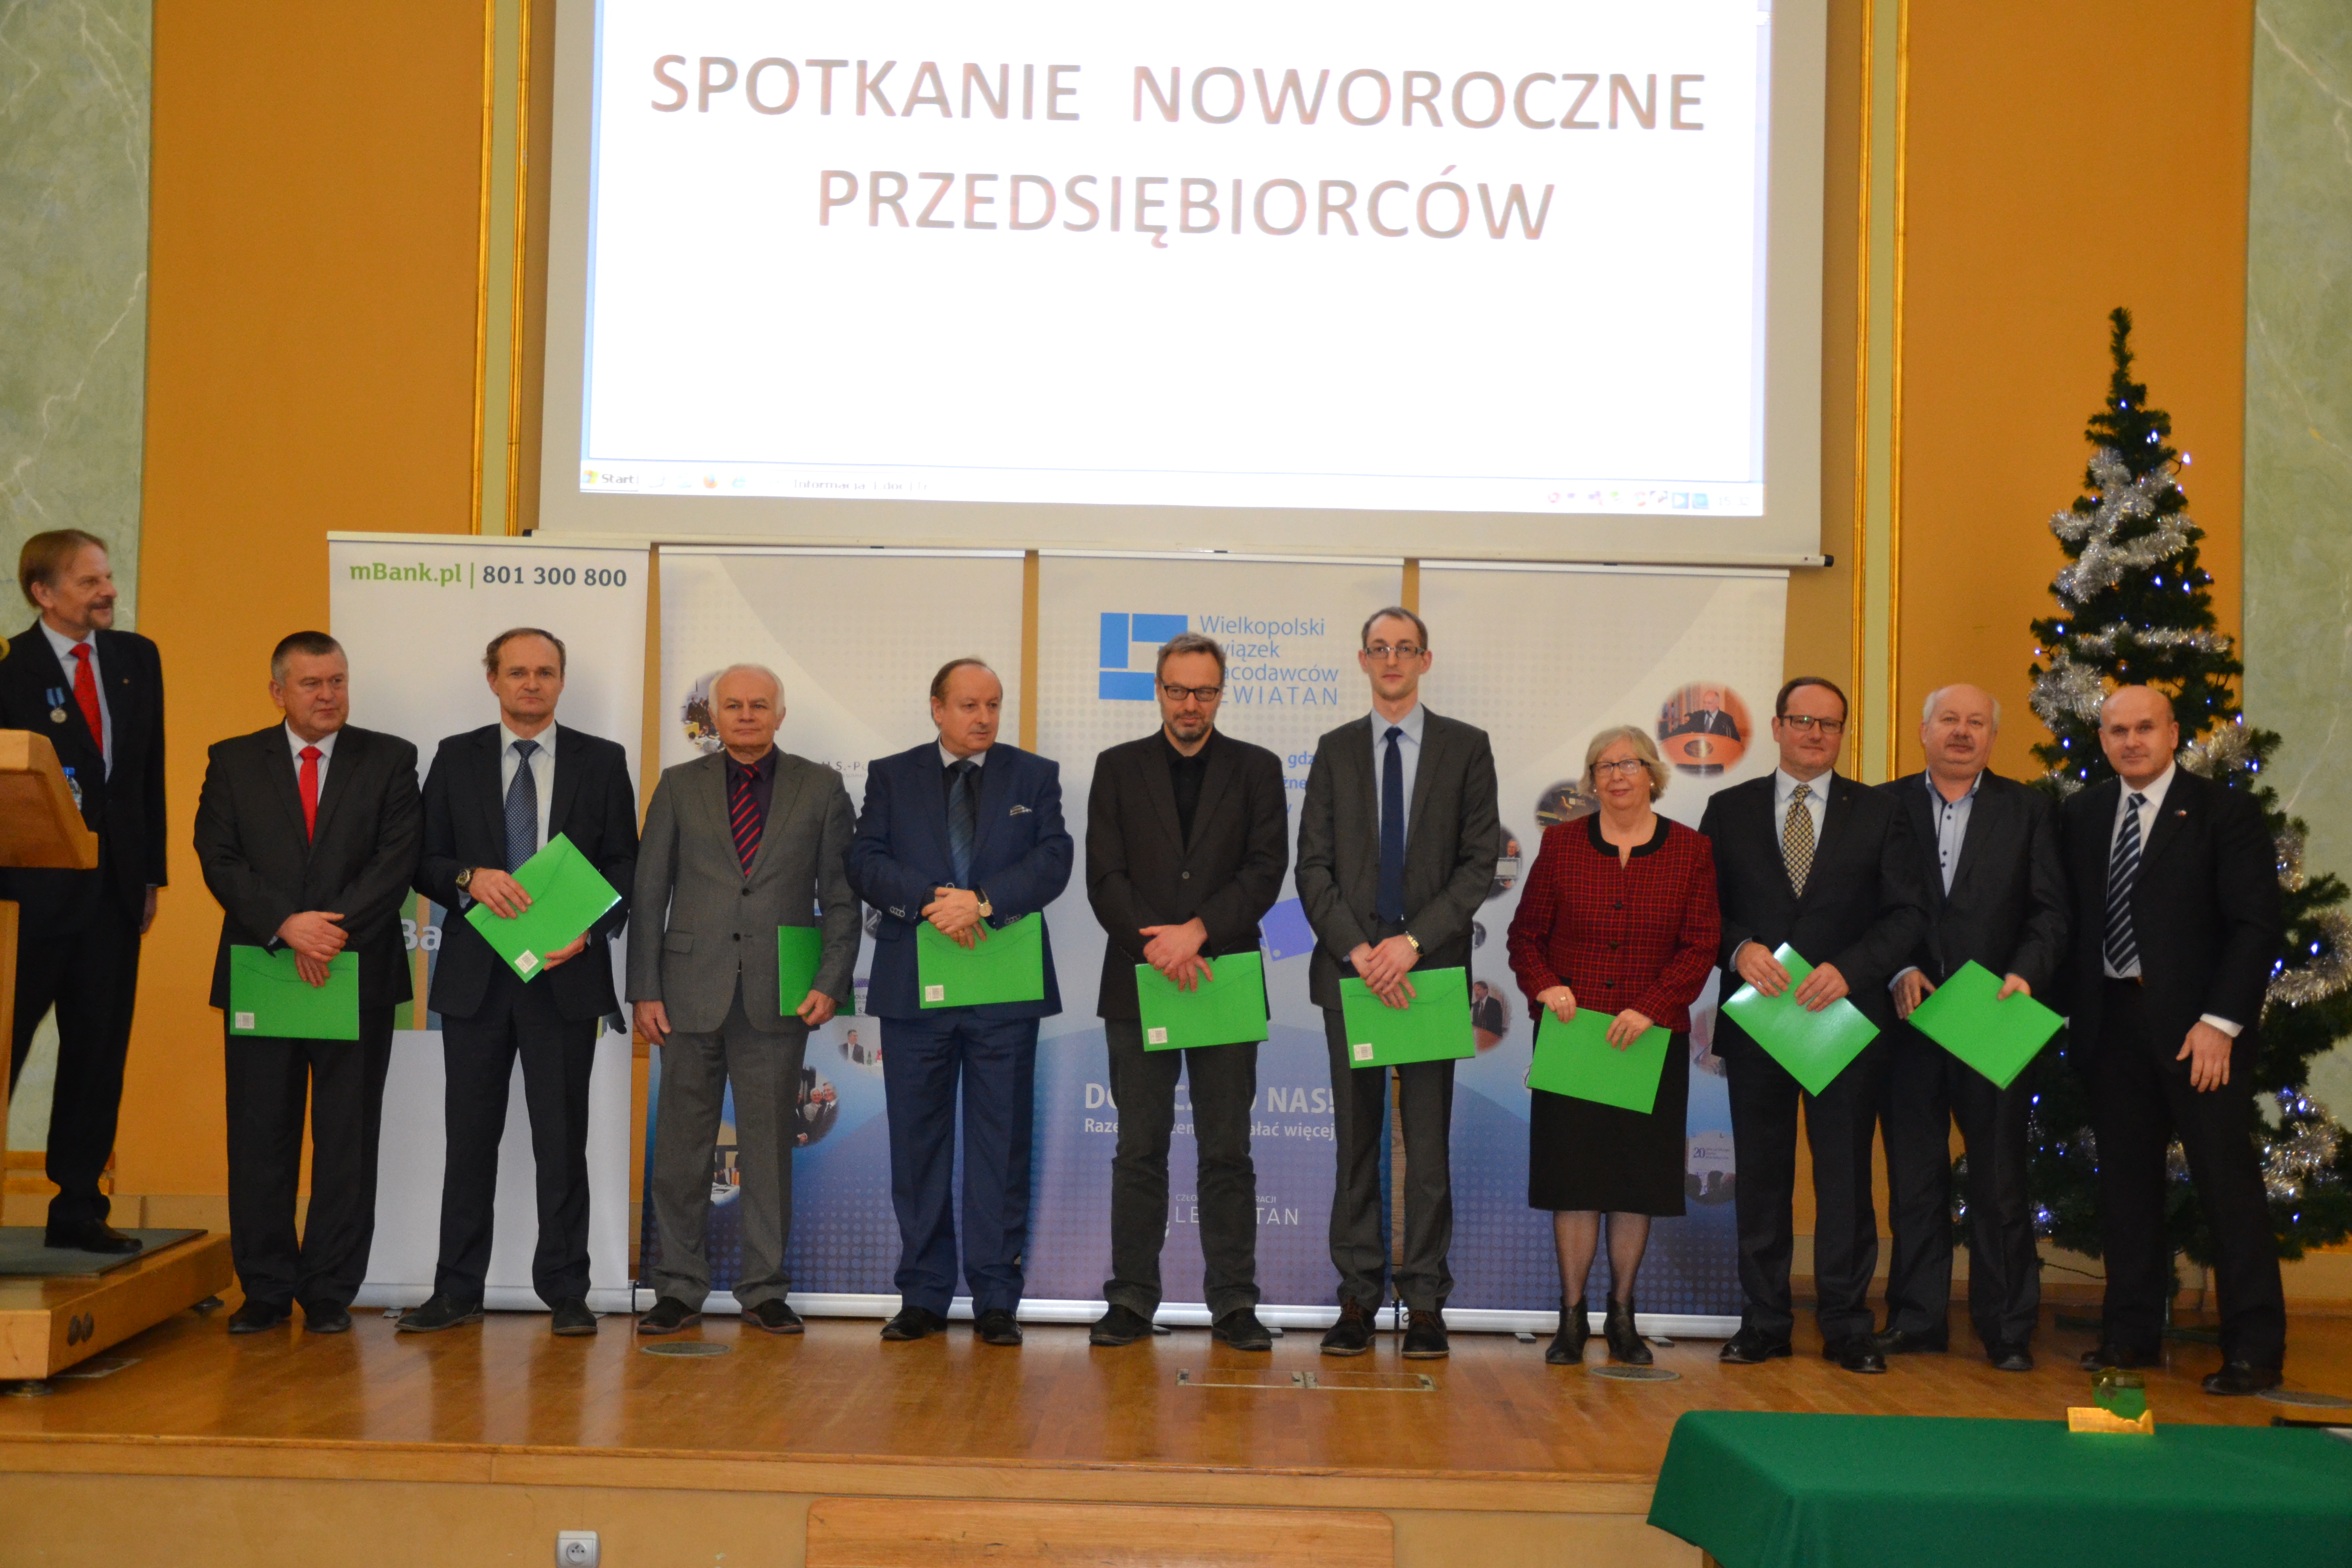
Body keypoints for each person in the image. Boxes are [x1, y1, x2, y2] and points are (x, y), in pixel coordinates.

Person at [395, 629, 640, 1338]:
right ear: (493, 680)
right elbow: (422, 860)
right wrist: (469, 878)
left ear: (561, 681)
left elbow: (625, 864)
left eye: (545, 672)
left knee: (562, 1143)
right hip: (477, 980)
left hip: (565, 975)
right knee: (469, 1140)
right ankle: (456, 1289)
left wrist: (588, 930)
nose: (531, 684)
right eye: (518, 672)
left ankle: (567, 1291)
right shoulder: (456, 756)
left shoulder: (602, 760)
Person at [192, 632, 421, 1333]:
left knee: (347, 1139)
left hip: (357, 970)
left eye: (338, 681)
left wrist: (328, 931)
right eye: (312, 684)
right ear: (278, 692)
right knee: (260, 1136)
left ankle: (328, 1290)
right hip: (265, 968)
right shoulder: (233, 760)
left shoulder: (390, 758)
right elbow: (217, 856)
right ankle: (264, 1289)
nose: (329, 696)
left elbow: (397, 860)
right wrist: (286, 925)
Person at [1698, 676, 1925, 1374]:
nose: (1815, 734)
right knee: (1762, 1180)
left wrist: (1852, 970)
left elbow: (1907, 914)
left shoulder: (1881, 812)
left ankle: (1847, 1326)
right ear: (1776, 727)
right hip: (1761, 1020)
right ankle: (1765, 1322)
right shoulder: (1728, 809)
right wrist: (1739, 948)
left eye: (1829, 724)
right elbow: (1701, 910)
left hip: (1842, 1021)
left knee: (1846, 1180)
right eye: (1802, 720)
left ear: (1842, 733)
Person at [2063, 685, 2285, 1395]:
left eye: (2145, 728)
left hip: (2200, 1033)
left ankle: (2254, 1349)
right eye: (2117, 730)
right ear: (2103, 739)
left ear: (2173, 733)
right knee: (2126, 1191)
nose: (2131, 742)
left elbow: (2255, 926)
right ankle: (2129, 1336)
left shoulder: (2225, 812)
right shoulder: (2083, 813)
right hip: (2110, 1026)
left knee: (2227, 1189)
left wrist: (2220, 1023)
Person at [847, 658, 1073, 1346]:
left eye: (993, 705)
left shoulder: (1034, 776)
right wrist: (930, 901)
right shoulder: (892, 775)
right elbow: (864, 860)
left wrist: (983, 902)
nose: (984, 718)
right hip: (914, 992)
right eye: (970, 705)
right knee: (918, 1147)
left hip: (1004, 991)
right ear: (937, 708)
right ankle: (923, 1295)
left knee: (1001, 1148)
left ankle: (996, 1298)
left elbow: (1054, 860)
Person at [628, 665, 859, 1335]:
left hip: (777, 995)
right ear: (715, 716)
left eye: (760, 705)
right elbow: (649, 893)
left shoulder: (821, 788)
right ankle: (678, 1287)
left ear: (780, 715)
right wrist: (644, 990)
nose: (748, 715)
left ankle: (764, 1289)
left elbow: (841, 898)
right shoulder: (679, 786)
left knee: (768, 1149)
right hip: (686, 993)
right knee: (681, 1150)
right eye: (734, 705)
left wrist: (830, 981)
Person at [1296, 607, 1502, 1360]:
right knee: (1356, 1146)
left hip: (1429, 975)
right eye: (1379, 649)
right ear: (1362, 660)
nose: (1392, 660)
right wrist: (1359, 950)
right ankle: (1357, 1296)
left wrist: (1411, 945)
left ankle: (1424, 1304)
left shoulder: (1466, 748)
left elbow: (1479, 864)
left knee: (1428, 1151)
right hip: (1351, 976)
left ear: (1425, 660)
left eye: (1405, 648)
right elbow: (1312, 865)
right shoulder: (1334, 750)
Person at [1084, 631, 1288, 1352]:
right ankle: (1130, 1300)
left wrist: (1197, 932)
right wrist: (1159, 945)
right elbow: (1104, 877)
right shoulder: (1117, 767)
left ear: (1221, 693)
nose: (1190, 704)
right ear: (1159, 691)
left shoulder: (1258, 769)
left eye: (1204, 691)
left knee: (1227, 1152)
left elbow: (1266, 870)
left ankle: (1233, 1304)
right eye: (1178, 690)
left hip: (1223, 976)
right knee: (1139, 1150)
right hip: (1139, 979)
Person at [1507, 726, 1719, 1366]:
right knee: (1574, 1182)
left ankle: (1622, 1315)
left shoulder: (1691, 850)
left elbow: (1701, 944)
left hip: (1648, 1043)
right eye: (1603, 766)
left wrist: (1653, 1007)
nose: (1617, 775)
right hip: (1574, 1039)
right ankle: (1571, 1319)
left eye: (1628, 764)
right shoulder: (1562, 845)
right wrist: (1545, 986)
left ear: (1652, 773)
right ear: (1591, 780)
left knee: (1635, 1186)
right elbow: (1525, 937)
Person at [1875, 684, 2069, 1371]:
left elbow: (2051, 912)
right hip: (1908, 1018)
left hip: (1994, 1014)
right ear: (1923, 731)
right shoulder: (1882, 806)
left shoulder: (2030, 810)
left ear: (1992, 736)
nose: (1962, 732)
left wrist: (2025, 975)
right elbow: (1865, 905)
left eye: (1976, 723)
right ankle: (1917, 1320)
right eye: (1950, 720)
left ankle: (2007, 1329)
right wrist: (1899, 968)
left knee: (1999, 1181)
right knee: (1914, 1180)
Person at [0, 531, 166, 1252]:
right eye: (89, 582)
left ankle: (77, 1208)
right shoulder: (9, 667)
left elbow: (147, 773)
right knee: (4, 1048)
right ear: (43, 593)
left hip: (113, 895)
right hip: (24, 899)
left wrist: (151, 874)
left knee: (98, 1056)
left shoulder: (136, 659)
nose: (109, 592)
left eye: (108, 577)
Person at [1471, 979, 1509, 1050]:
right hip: (1479, 1039)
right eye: (1475, 990)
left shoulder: (1495, 1003)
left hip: (1492, 1039)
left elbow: (1496, 1026)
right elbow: (1476, 1023)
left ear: (1486, 990)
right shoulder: (1476, 1005)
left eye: (1478, 990)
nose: (1476, 993)